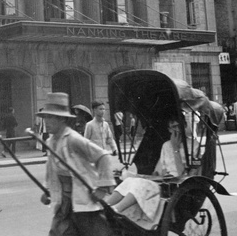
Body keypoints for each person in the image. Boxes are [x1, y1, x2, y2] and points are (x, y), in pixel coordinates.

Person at [38, 92, 112, 236]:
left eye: (50, 117)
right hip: (64, 200)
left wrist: (102, 188)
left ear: (62, 119)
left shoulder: (73, 139)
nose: (46, 121)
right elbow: (51, 169)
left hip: (82, 198)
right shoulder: (51, 142)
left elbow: (103, 156)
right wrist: (47, 189)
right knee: (58, 232)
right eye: (45, 117)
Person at [104, 118, 198, 228]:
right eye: (173, 127)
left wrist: (176, 148)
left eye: (179, 126)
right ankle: (106, 207)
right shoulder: (166, 145)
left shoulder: (194, 145)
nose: (177, 130)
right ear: (169, 130)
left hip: (178, 185)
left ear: (185, 125)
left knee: (142, 185)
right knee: (130, 180)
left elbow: (182, 174)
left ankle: (116, 209)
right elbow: (158, 170)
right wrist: (154, 176)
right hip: (163, 181)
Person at [84, 101, 117, 193]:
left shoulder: (105, 124)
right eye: (100, 109)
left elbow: (110, 138)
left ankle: (106, 192)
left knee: (106, 174)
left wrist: (114, 149)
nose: (103, 111)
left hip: (103, 154)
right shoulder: (89, 125)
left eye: (104, 109)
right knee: (95, 176)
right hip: (93, 156)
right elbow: (85, 141)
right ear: (94, 110)